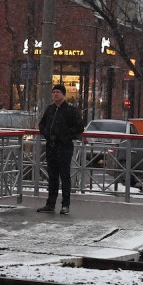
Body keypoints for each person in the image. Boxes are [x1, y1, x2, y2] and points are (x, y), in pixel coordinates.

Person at [36, 83, 84, 215]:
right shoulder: (50, 109)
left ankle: (65, 205)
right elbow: (42, 124)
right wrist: (47, 134)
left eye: (58, 92)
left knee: (65, 176)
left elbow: (79, 127)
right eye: (54, 92)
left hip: (64, 147)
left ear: (63, 95)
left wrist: (65, 135)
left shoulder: (70, 110)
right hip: (51, 147)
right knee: (52, 176)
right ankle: (50, 204)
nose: (55, 94)